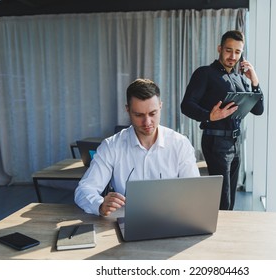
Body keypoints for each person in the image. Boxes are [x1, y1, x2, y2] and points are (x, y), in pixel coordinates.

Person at [75, 78, 200, 216]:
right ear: (127, 110)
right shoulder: (111, 146)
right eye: (139, 115)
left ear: (160, 106)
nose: (147, 122)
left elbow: (193, 192)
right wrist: (99, 205)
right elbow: (84, 190)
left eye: (153, 114)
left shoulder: (180, 144)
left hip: (172, 217)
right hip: (126, 219)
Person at [181, 30, 264, 210]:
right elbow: (186, 105)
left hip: (236, 143)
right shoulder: (205, 73)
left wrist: (255, 81)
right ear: (219, 49)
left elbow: (258, 110)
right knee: (223, 202)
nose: (232, 56)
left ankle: (226, 234)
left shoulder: (240, 79)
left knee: (230, 201)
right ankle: (217, 236)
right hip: (215, 141)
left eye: (237, 52)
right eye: (228, 50)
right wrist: (209, 116)